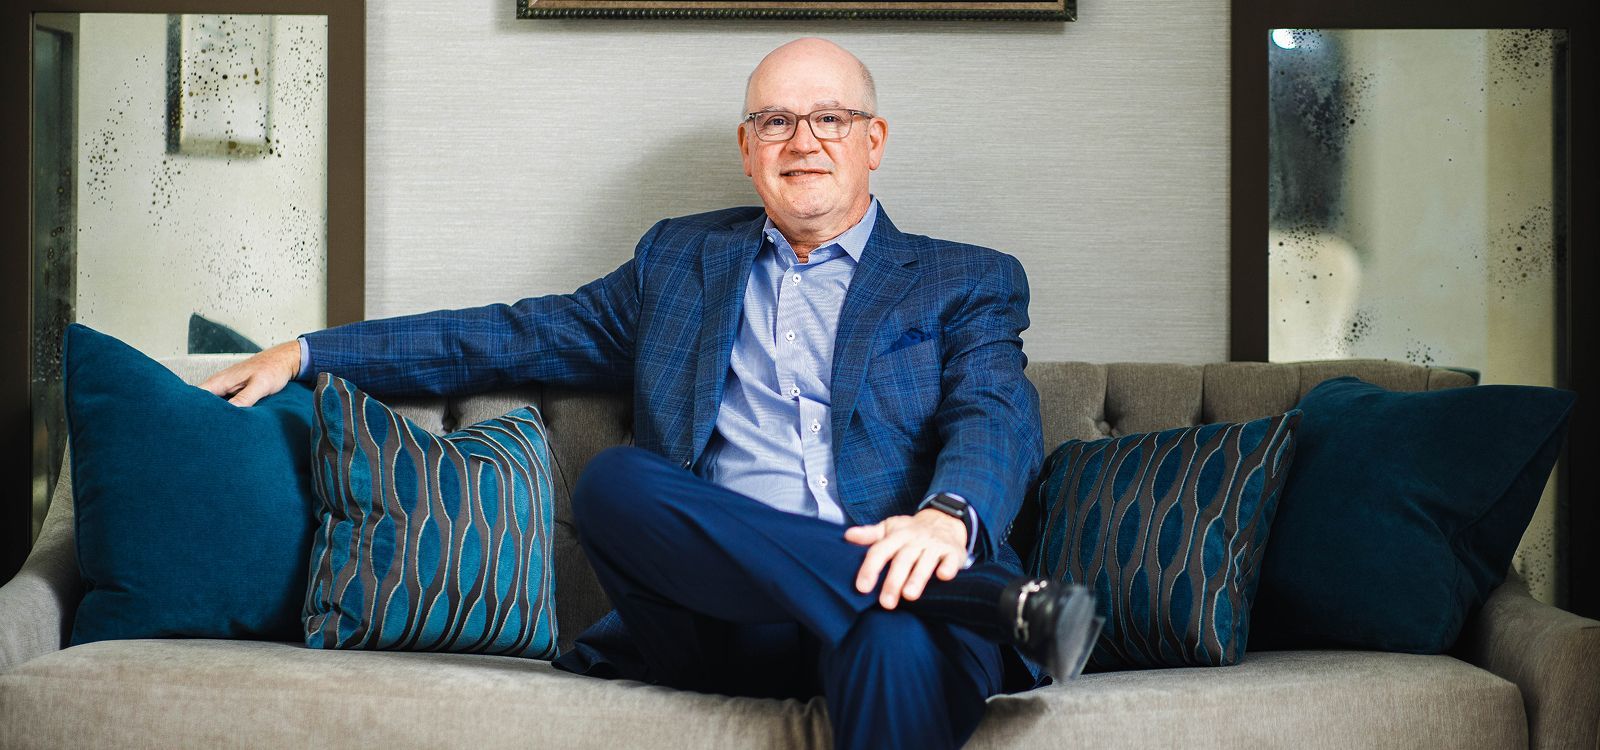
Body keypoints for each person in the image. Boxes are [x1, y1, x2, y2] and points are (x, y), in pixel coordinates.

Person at [202, 37, 1098, 750]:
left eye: (831, 117)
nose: (804, 140)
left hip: (899, 595)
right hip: (720, 619)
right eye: (776, 121)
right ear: (748, 151)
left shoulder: (960, 280)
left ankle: (928, 594)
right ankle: (983, 603)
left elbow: (994, 410)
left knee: (893, 634)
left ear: (875, 141)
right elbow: (512, 333)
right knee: (614, 483)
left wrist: (948, 520)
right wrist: (310, 350)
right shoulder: (678, 262)